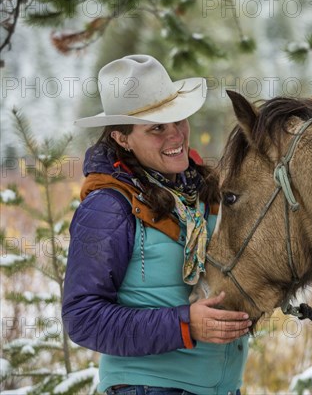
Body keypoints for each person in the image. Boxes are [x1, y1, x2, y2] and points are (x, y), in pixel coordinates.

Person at [62, 54, 251, 395]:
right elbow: (82, 317)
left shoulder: (203, 191)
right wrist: (185, 324)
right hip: (147, 388)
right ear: (122, 138)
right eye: (157, 128)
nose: (176, 134)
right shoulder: (108, 207)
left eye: (178, 119)